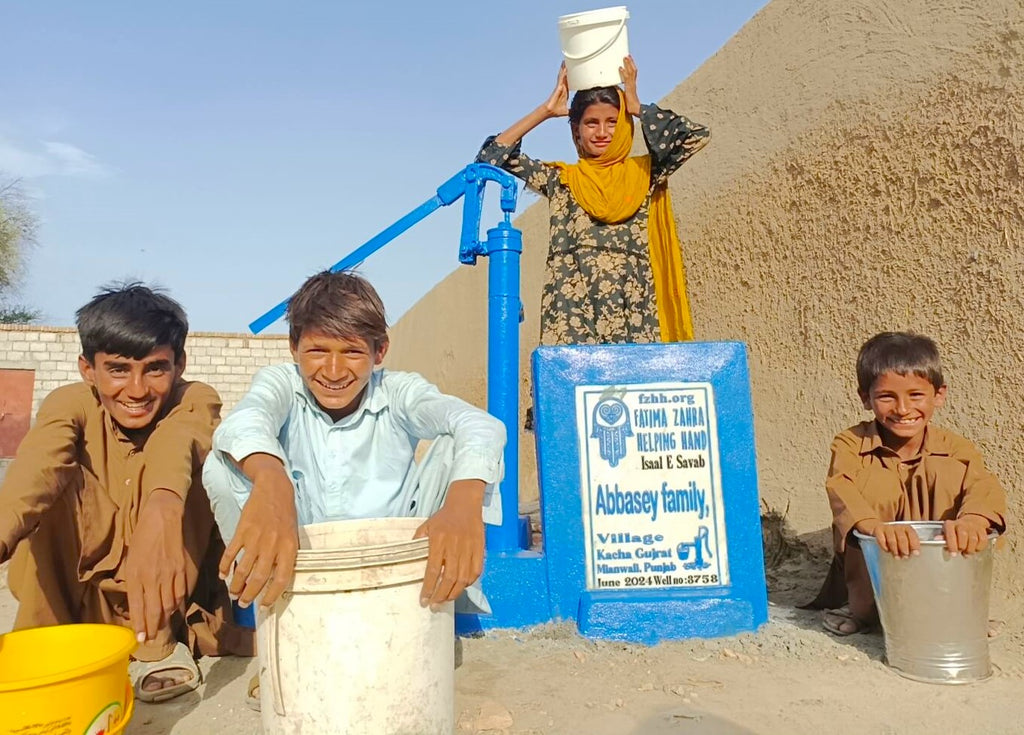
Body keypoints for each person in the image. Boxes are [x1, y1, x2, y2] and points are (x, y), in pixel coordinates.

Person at [201, 269, 506, 710]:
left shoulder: (399, 392)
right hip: (303, 563)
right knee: (220, 466)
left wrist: (462, 504)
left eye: (352, 352)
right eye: (317, 351)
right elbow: (245, 422)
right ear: (293, 349)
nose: (333, 370)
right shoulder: (281, 384)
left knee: (456, 445)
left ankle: (419, 622)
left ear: (379, 351)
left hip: (397, 562)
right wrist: (273, 482)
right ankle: (279, 622)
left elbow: (479, 425)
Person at [0, 284, 252, 704]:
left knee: (197, 477)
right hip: (81, 604)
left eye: (155, 369)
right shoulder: (70, 404)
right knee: (56, 483)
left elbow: (179, 440)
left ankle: (157, 647)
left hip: (169, 601)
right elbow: (37, 467)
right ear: (88, 369)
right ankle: (44, 646)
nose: (136, 390)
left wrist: (164, 504)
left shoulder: (194, 398)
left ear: (179, 365)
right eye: (118, 370)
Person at [477, 56, 710, 347]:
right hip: (572, 320)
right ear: (576, 130)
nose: (602, 132)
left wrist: (636, 105)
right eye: (591, 123)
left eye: (612, 121)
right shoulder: (561, 180)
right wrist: (546, 111)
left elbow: (696, 136)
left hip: (633, 318)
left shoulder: (644, 174)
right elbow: (491, 156)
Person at [808, 332, 1007, 635]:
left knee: (953, 478)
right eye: (887, 397)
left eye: (915, 395)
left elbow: (984, 487)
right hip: (873, 567)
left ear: (939, 395)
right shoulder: (850, 443)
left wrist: (972, 521)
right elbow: (842, 488)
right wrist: (877, 529)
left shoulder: (956, 448)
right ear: (865, 398)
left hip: (937, 570)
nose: (902, 409)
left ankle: (957, 605)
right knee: (866, 491)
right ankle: (861, 610)